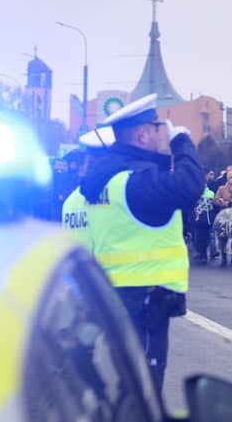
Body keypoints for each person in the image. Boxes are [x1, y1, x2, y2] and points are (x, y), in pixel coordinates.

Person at [64, 93, 203, 392]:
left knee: (121, 381)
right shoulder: (134, 180)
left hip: (110, 294)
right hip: (146, 299)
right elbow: (190, 188)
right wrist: (182, 143)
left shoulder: (104, 181)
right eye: (157, 128)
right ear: (142, 133)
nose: (162, 134)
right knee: (144, 389)